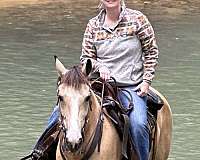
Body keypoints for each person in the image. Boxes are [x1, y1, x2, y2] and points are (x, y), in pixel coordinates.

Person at [80, 0, 159, 159]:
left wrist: (146, 81)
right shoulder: (93, 25)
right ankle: (39, 152)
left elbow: (151, 52)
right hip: (99, 85)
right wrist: (99, 66)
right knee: (61, 112)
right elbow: (86, 59)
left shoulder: (138, 19)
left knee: (138, 124)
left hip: (130, 87)